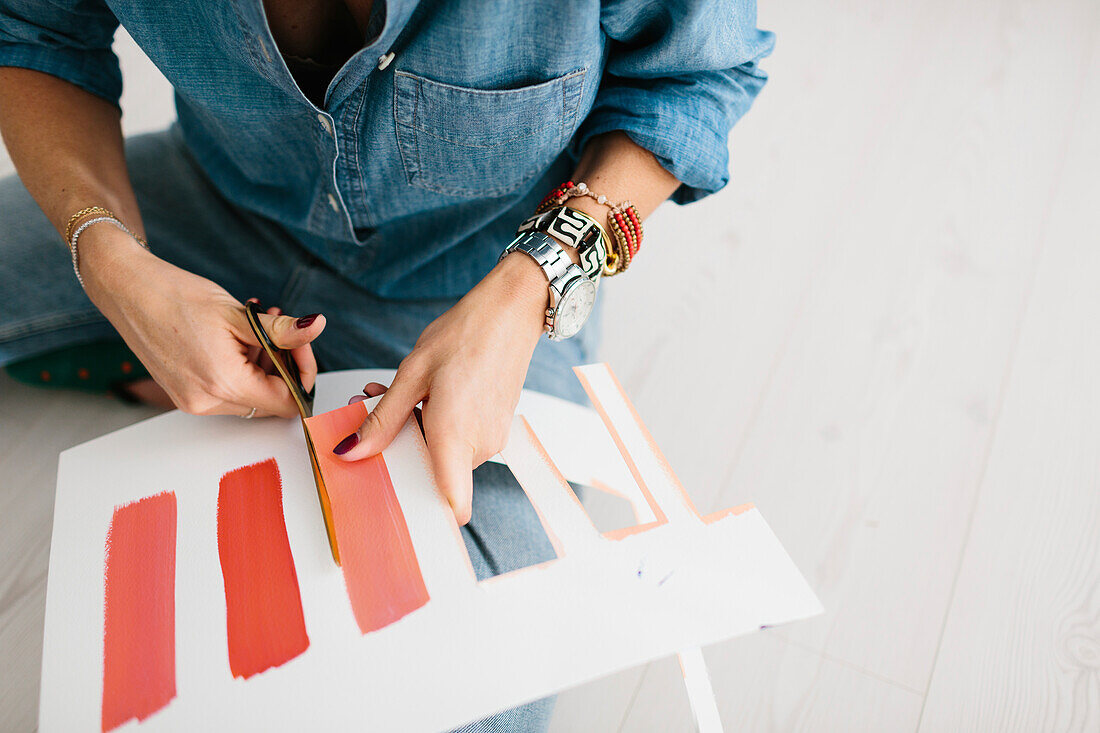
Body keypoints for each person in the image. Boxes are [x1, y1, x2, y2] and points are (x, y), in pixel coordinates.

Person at [0, 0, 772, 728]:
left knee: (483, 705)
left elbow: (699, 74)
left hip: (489, 279)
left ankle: (175, 376)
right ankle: (168, 359)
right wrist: (114, 264)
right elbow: (35, 35)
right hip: (213, 209)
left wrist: (534, 280)